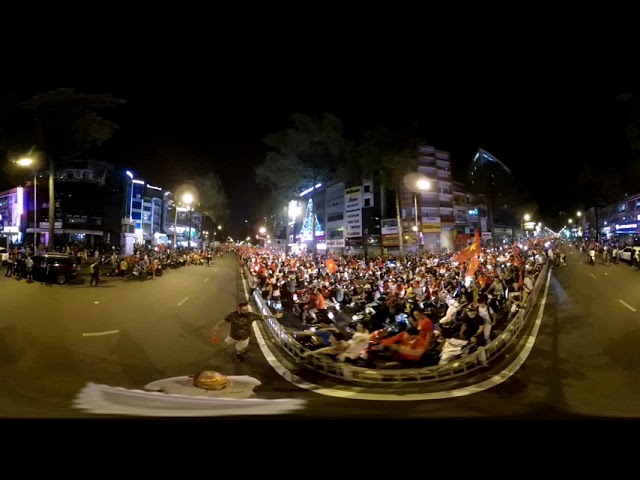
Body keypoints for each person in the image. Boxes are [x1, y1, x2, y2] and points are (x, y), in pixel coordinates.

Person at [211, 302, 282, 360]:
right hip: (233, 335)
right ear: (239, 310)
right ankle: (238, 347)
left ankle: (238, 353)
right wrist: (217, 325)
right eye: (244, 310)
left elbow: (262, 317)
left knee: (240, 348)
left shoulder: (251, 315)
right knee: (228, 343)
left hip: (244, 337)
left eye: (247, 310)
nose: (246, 312)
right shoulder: (232, 315)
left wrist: (274, 316)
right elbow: (225, 320)